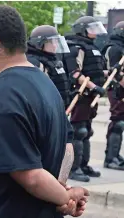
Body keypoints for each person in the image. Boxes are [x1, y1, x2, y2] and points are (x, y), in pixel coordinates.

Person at [0, 5, 88, 218]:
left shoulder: (3, 96)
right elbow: (67, 145)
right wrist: (60, 188)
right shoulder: (45, 82)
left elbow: (30, 175)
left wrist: (64, 197)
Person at [62, 16, 107, 182]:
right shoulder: (76, 47)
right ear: (83, 29)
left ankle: (84, 164)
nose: (95, 31)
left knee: (87, 130)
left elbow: (95, 70)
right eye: (92, 28)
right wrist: (93, 87)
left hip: (91, 97)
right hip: (81, 95)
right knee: (78, 131)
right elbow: (75, 73)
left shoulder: (91, 47)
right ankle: (74, 169)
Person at [27, 25, 71, 109]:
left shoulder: (52, 59)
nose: (55, 45)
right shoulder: (34, 63)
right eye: (52, 42)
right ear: (40, 43)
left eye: (56, 41)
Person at [101, 20, 124, 170]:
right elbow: (114, 73)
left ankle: (115, 155)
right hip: (115, 88)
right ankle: (110, 158)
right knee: (117, 121)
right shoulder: (113, 48)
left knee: (121, 121)